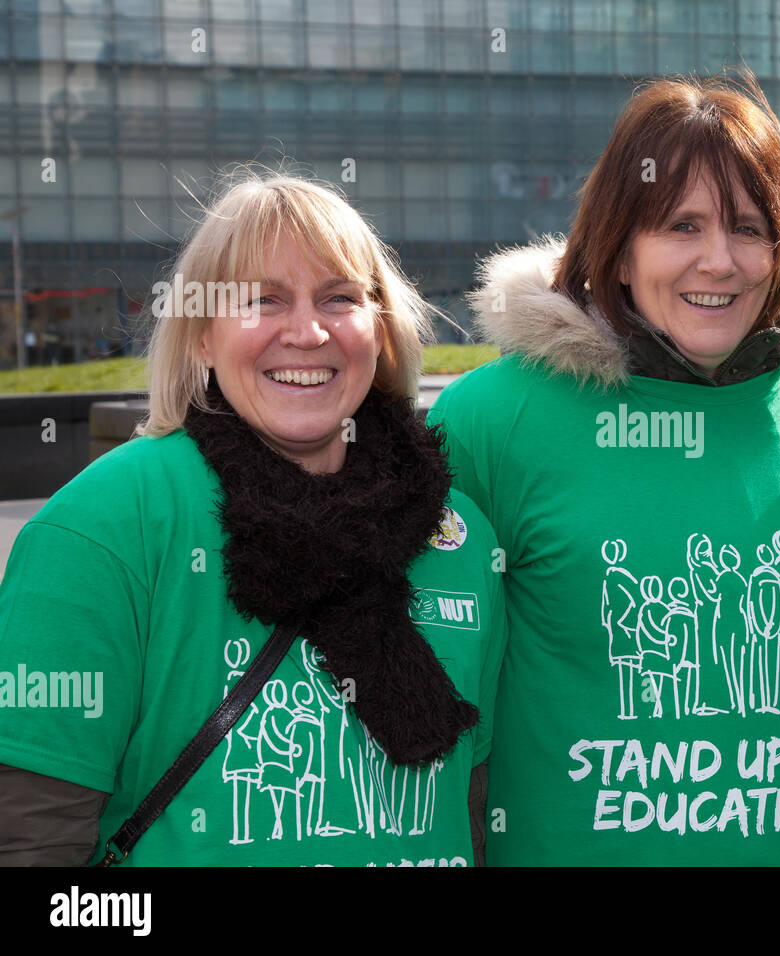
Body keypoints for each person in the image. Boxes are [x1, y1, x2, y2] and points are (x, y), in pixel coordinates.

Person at [0, 172, 506, 866]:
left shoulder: (460, 534)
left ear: (381, 329)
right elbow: (33, 837)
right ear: (202, 337)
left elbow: (472, 811)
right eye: (260, 300)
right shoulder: (103, 525)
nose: (307, 331)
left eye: (340, 297)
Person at [427, 72, 780, 865]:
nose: (719, 261)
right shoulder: (490, 420)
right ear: (620, 249)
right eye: (680, 226)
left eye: (747, 226)